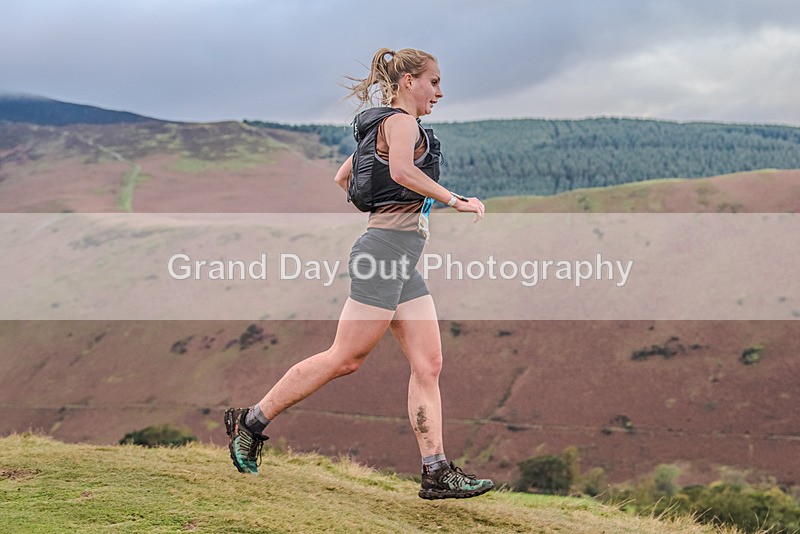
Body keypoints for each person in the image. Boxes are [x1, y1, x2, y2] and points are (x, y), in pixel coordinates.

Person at [225, 47, 493, 500]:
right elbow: (404, 170)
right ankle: (250, 422)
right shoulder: (402, 123)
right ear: (409, 81)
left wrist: (388, 207)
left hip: (399, 256)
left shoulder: (380, 127)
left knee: (429, 364)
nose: (440, 92)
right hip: (384, 254)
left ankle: (436, 470)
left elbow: (343, 178)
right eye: (434, 82)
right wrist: (454, 199)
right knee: (344, 359)